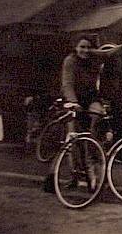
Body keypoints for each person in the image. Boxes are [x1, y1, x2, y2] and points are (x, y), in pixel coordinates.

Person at [44, 33, 105, 193]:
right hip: (73, 101)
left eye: (88, 47)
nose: (85, 50)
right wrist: (73, 102)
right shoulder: (70, 61)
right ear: (76, 47)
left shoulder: (94, 59)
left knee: (95, 124)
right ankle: (66, 175)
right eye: (82, 47)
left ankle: (95, 172)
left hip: (90, 99)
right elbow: (67, 84)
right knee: (71, 138)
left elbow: (109, 53)